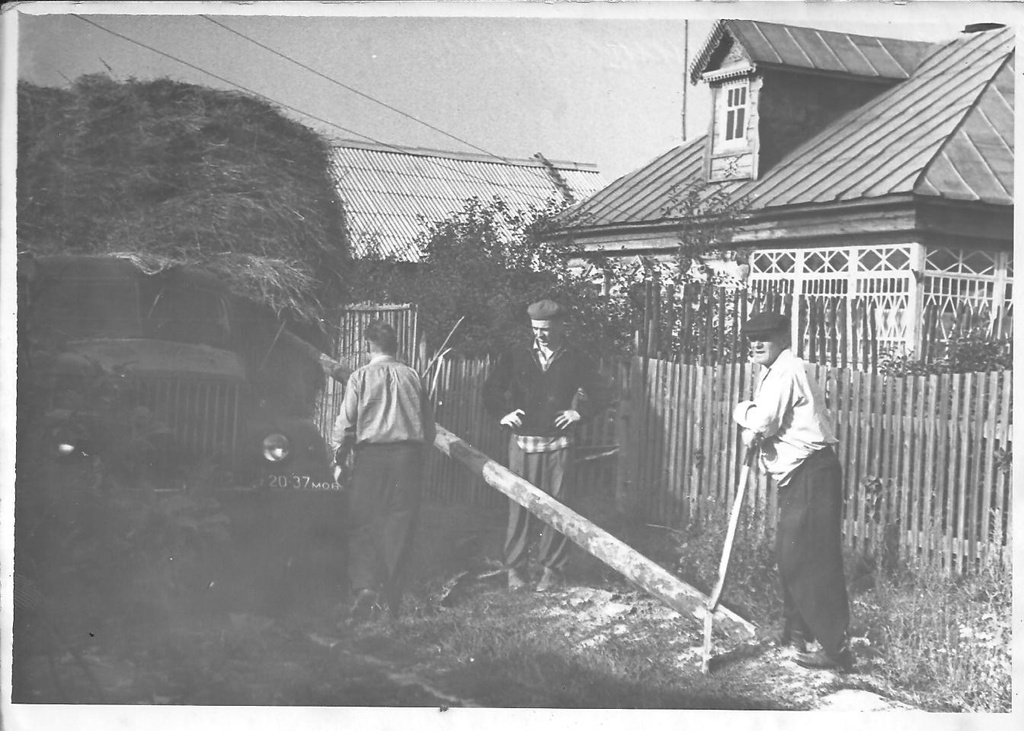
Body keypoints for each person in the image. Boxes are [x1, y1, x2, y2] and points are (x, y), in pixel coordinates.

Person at [732, 312, 853, 671]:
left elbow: (764, 421)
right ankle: (796, 632)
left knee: (809, 559)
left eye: (764, 337)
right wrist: (753, 425)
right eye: (750, 338)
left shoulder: (786, 370)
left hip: (811, 472)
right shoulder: (772, 371)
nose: (755, 344)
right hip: (800, 475)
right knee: (793, 555)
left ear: (783, 337)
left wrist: (742, 413)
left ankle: (836, 650)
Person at [483, 299, 610, 593]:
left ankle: (551, 570)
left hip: (559, 445)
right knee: (519, 508)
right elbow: (490, 389)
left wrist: (581, 413)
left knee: (558, 508)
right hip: (523, 444)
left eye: (546, 329)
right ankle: (515, 569)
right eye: (536, 328)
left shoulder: (575, 358)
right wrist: (504, 413)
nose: (540, 334)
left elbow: (603, 391)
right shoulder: (516, 355)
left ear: (561, 326)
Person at [331, 320, 435, 621]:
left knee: (363, 523)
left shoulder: (360, 377)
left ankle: (365, 588)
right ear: (396, 347)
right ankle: (393, 601)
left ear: (368, 348)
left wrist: (338, 459)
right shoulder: (412, 376)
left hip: (371, 458)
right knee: (399, 525)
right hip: (407, 458)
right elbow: (428, 428)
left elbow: (345, 423)